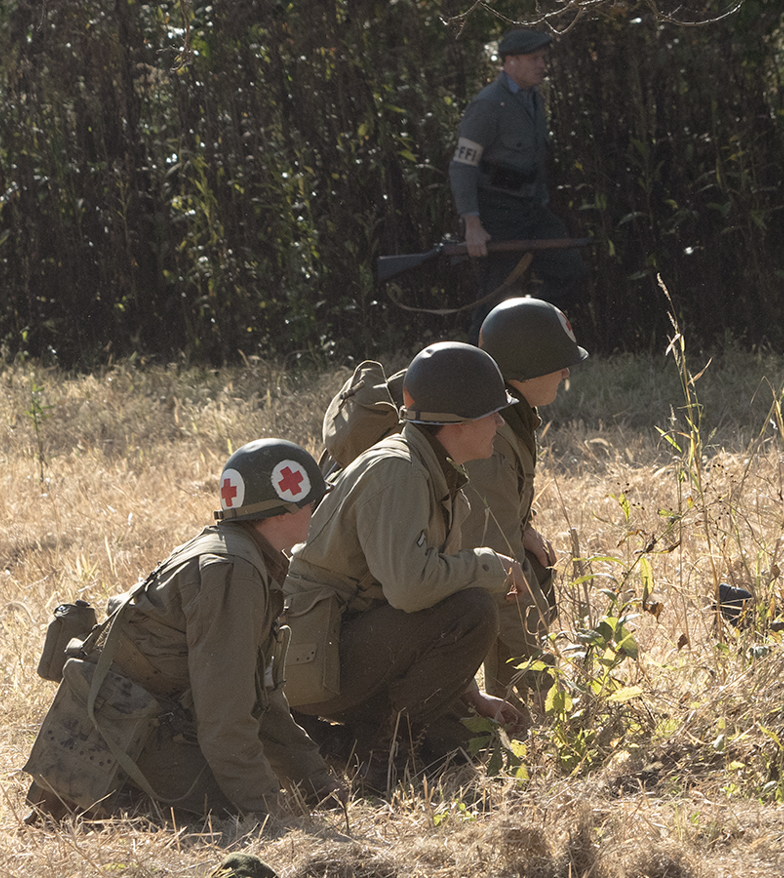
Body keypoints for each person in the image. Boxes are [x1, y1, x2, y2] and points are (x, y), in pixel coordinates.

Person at [24, 440, 345, 819]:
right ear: (279, 509)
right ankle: (113, 808)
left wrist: (317, 786)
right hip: (119, 741)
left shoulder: (238, 553)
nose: (316, 506)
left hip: (129, 724)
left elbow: (259, 697)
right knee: (225, 811)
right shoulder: (234, 571)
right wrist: (268, 812)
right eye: (310, 498)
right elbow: (225, 715)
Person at [284, 342, 531, 792]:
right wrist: (487, 565)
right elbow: (410, 590)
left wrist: (471, 696)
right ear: (454, 422)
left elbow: (416, 604)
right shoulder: (400, 471)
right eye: (491, 412)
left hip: (343, 642)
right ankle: (383, 764)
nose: (499, 422)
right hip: (314, 661)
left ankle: (338, 744)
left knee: (461, 747)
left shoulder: (430, 466)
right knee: (474, 609)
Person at [459, 297, 589, 708]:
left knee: (534, 567)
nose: (566, 371)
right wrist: (546, 697)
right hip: (403, 588)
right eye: (556, 361)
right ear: (524, 369)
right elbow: (502, 577)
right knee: (513, 583)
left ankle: (510, 702)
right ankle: (515, 708)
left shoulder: (506, 412)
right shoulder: (488, 433)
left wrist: (521, 527)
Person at [450, 27, 587, 328]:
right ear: (510, 62)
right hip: (497, 214)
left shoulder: (534, 100)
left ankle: (529, 335)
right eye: (534, 58)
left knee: (568, 268)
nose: (542, 64)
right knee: (494, 299)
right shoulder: (488, 105)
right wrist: (472, 224)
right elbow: (463, 166)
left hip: (532, 209)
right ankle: (477, 367)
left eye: (542, 57)